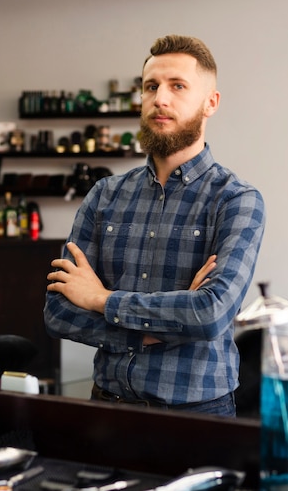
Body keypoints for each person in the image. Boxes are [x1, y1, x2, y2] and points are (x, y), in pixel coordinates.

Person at [44, 34, 265, 417]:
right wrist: (165, 325)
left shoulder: (236, 200)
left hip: (199, 415)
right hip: (106, 408)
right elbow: (58, 311)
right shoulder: (105, 195)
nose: (160, 98)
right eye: (151, 86)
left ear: (210, 102)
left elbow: (210, 313)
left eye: (177, 86)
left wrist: (100, 299)